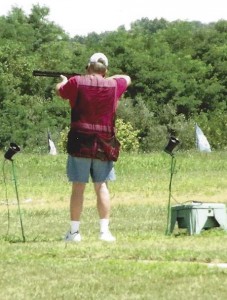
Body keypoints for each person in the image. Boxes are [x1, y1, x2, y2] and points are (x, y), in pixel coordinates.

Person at [56, 52, 131, 242]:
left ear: (88, 66)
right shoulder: (114, 84)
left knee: (78, 187)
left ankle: (74, 233)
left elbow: (60, 90)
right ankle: (104, 232)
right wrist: (106, 76)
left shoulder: (76, 82)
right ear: (105, 69)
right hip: (105, 142)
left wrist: (63, 81)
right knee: (102, 186)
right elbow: (127, 78)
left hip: (80, 140)